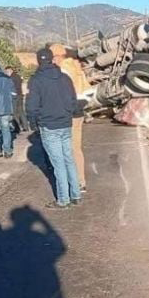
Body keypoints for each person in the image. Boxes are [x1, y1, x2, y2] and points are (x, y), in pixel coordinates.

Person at [26, 48, 82, 209]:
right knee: (69, 159)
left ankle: (63, 199)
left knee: (58, 163)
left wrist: (33, 121)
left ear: (38, 61)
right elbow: (73, 100)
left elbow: (31, 105)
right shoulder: (64, 78)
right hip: (65, 123)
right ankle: (76, 194)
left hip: (49, 125)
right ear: (52, 59)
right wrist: (67, 113)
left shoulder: (36, 80)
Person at [51, 43, 89, 192]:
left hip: (70, 112)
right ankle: (80, 180)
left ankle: (77, 182)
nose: (52, 61)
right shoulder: (77, 68)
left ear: (58, 56)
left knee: (69, 149)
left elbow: (62, 94)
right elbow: (88, 91)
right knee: (76, 148)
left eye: (53, 57)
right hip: (79, 111)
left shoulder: (63, 70)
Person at [6, 66, 29, 132]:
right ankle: (26, 126)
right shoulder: (18, 76)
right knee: (21, 111)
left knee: (14, 113)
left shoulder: (10, 79)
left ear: (10, 71)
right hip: (20, 95)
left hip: (14, 97)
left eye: (7, 72)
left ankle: (17, 128)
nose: (7, 73)